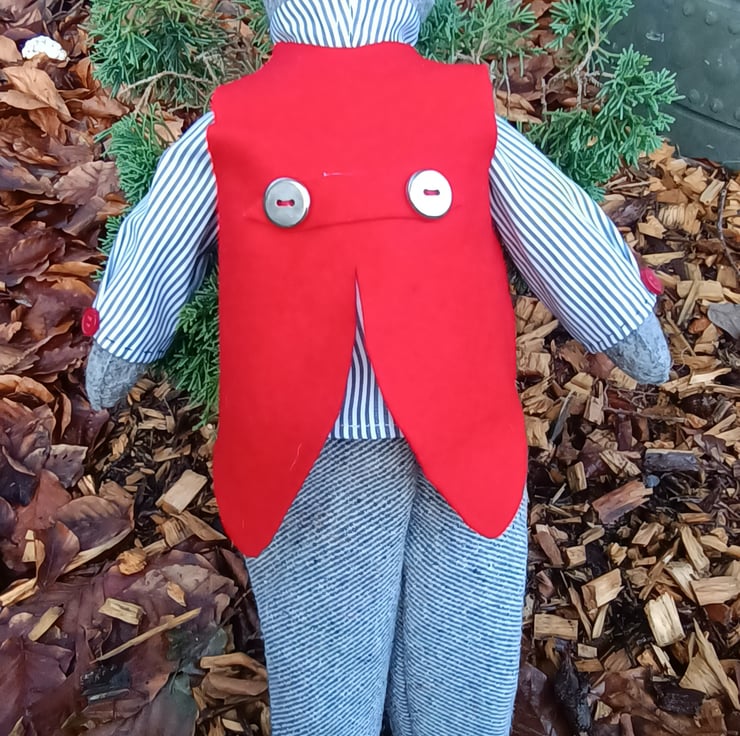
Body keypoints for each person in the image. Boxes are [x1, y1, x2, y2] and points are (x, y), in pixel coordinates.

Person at [85, 2, 671, 734]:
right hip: (331, 444)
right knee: (422, 658)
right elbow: (559, 224)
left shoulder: (244, 126)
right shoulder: (264, 123)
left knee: (350, 660)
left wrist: (122, 337)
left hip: (436, 438)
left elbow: (157, 241)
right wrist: (622, 315)